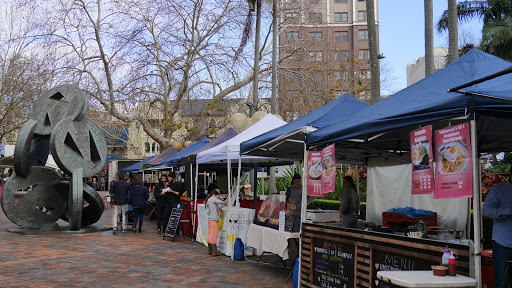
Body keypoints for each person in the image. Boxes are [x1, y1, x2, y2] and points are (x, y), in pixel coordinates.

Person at [482, 169, 512, 288]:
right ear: (510, 175)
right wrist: (508, 211)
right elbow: (486, 211)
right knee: (502, 281)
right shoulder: (498, 190)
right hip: (504, 243)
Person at [206, 189, 227, 256]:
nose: (218, 198)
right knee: (213, 235)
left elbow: (218, 207)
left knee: (210, 235)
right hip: (213, 220)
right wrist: (225, 202)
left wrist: (223, 204)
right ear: (214, 195)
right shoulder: (212, 199)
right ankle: (214, 251)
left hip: (211, 219)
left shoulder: (210, 200)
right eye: (218, 196)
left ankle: (210, 250)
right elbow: (218, 202)